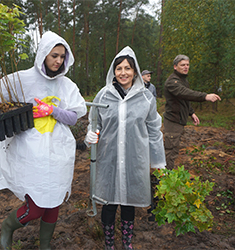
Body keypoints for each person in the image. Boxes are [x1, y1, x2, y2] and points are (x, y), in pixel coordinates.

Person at [0, 31, 87, 250]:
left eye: (62, 57)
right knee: (37, 204)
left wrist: (52, 110)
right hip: (29, 152)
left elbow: (74, 117)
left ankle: (44, 245)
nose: (58, 61)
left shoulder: (67, 85)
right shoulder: (19, 80)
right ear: (43, 55)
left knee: (54, 200)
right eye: (54, 55)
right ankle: (8, 228)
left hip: (59, 152)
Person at [84, 47, 166, 250]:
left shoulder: (146, 98)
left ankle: (127, 243)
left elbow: (154, 131)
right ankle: (109, 243)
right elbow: (95, 123)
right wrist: (90, 135)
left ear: (135, 71)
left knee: (130, 202)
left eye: (127, 68)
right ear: (113, 71)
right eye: (118, 68)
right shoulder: (103, 96)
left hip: (134, 158)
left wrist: (158, 163)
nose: (123, 72)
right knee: (108, 202)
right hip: (108, 158)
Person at [162, 55, 221, 169]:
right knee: (170, 150)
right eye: (182, 65)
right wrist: (205, 96)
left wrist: (191, 113)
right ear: (175, 66)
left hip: (179, 120)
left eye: (187, 65)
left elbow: (184, 99)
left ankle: (168, 176)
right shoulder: (172, 82)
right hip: (173, 120)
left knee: (174, 149)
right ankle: (165, 178)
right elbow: (184, 93)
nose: (186, 67)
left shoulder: (182, 80)